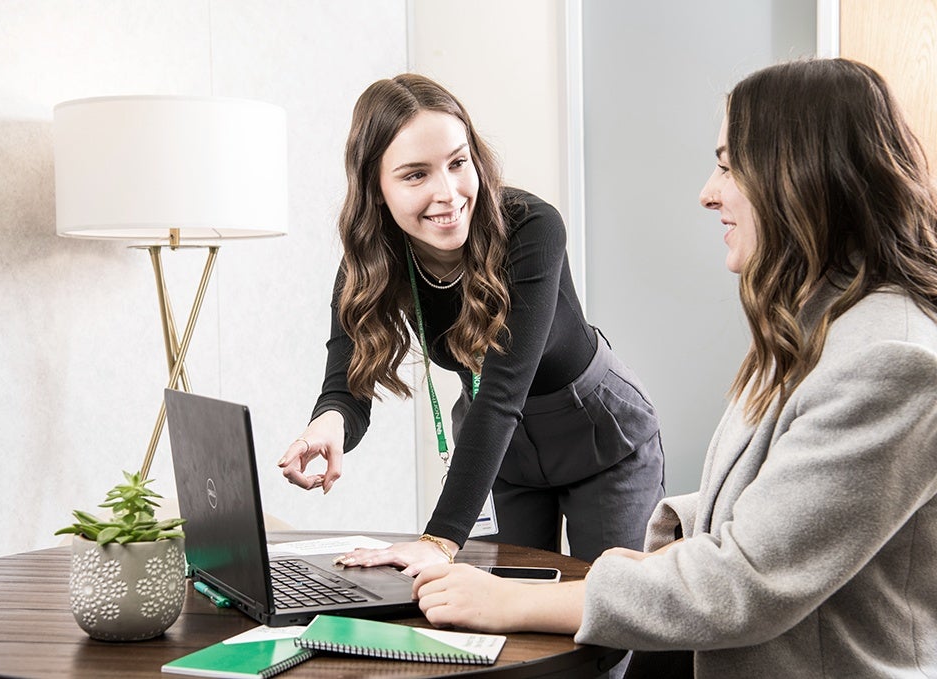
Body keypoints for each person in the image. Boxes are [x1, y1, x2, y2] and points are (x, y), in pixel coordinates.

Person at [412, 58, 937, 678]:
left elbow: (743, 585)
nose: (708, 192)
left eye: (726, 164)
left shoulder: (888, 361)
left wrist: (515, 601)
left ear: (799, 176)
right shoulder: (815, 327)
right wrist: (668, 550)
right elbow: (766, 511)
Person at [277, 73, 665, 573]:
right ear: (375, 188)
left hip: (595, 433)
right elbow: (347, 381)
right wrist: (325, 427)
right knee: (510, 616)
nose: (449, 193)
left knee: (611, 619)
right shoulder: (372, 259)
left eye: (458, 163)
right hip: (503, 453)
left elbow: (502, 391)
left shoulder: (531, 226)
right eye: (416, 175)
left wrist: (439, 539)